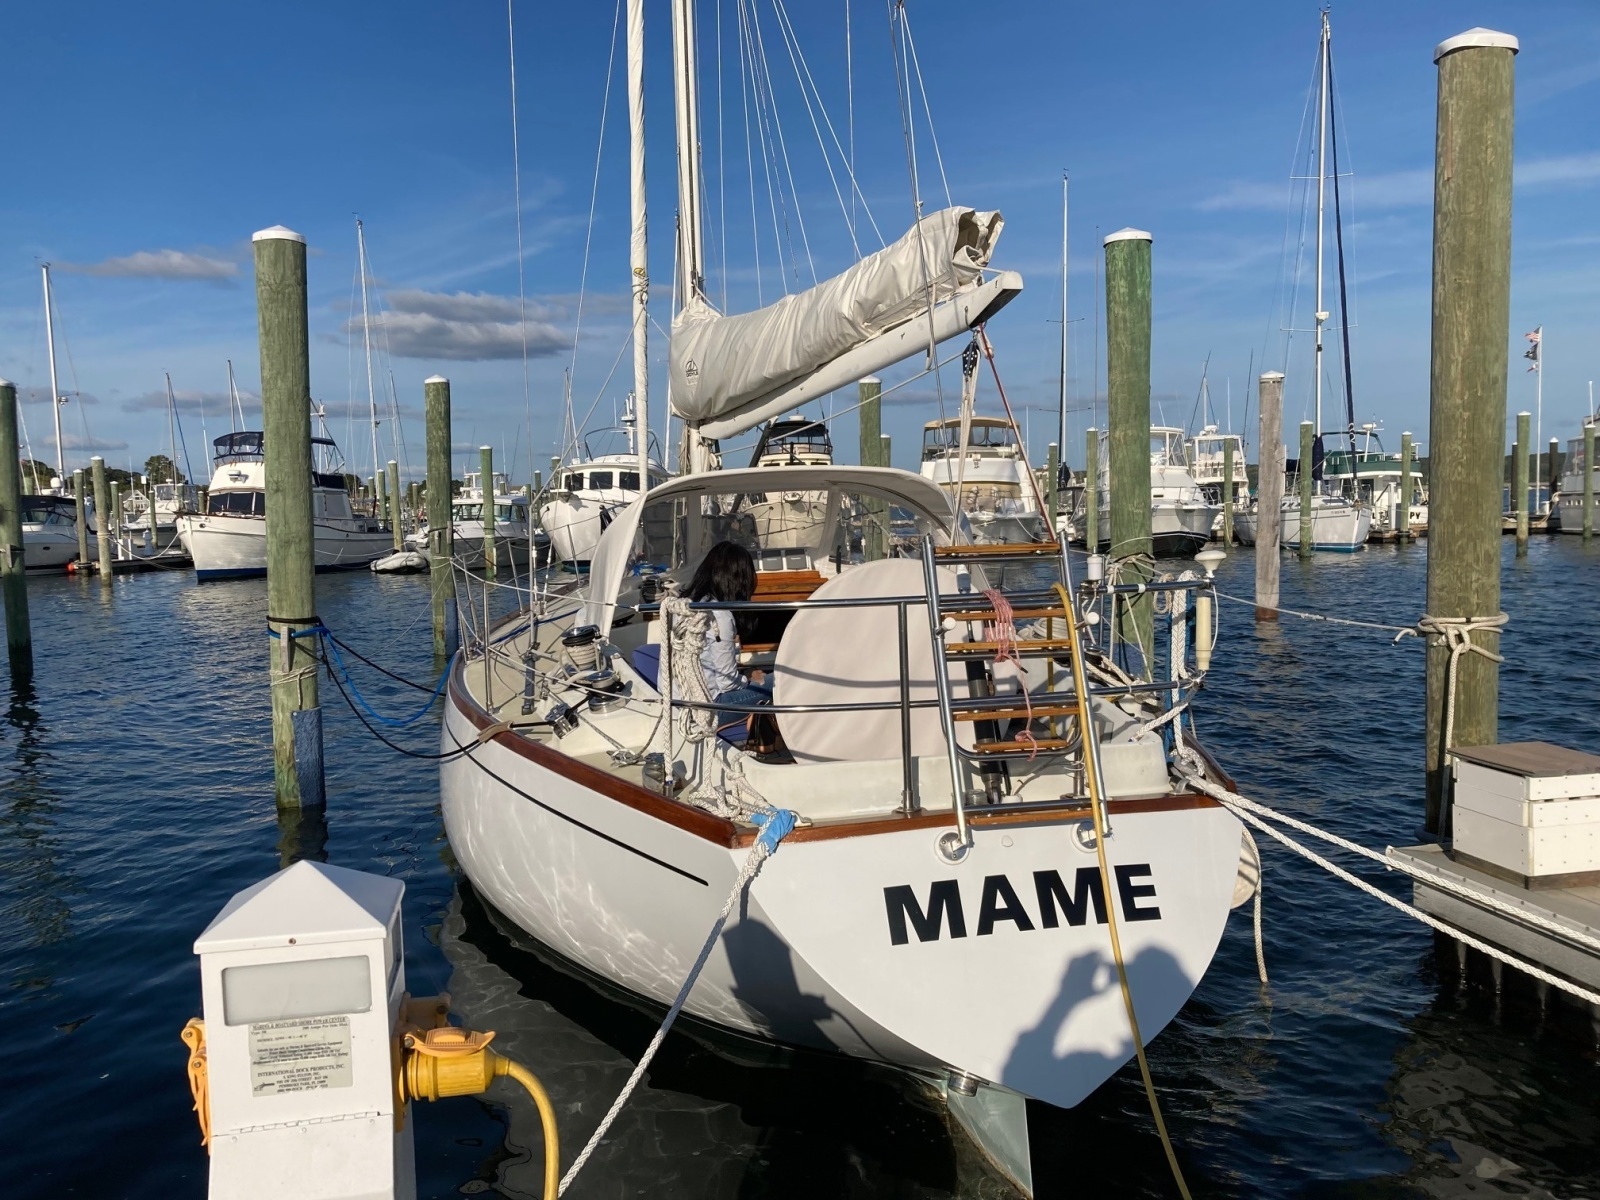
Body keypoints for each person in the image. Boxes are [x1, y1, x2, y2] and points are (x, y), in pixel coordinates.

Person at [684, 540, 771, 734]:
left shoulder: (685, 605)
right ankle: (771, 740)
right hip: (710, 709)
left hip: (678, 702)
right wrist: (748, 678)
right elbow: (727, 684)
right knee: (780, 681)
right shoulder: (720, 616)